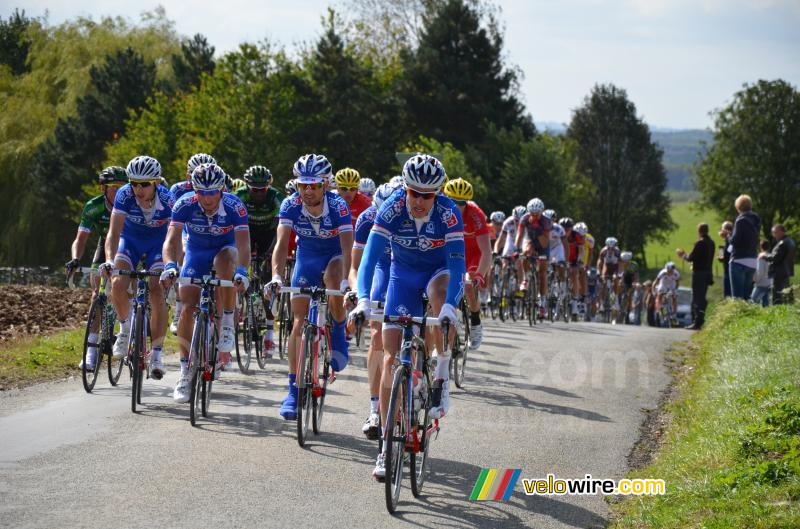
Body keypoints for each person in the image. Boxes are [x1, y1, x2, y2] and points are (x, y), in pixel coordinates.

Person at [349, 153, 464, 480]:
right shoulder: (392, 208)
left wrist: (450, 309)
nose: (419, 200)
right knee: (389, 359)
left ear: (437, 194)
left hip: (436, 272)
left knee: (441, 300)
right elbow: (369, 258)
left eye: (427, 195)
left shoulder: (449, 213)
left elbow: (457, 267)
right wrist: (362, 300)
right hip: (402, 276)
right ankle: (386, 445)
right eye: (414, 192)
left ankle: (440, 373)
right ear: (406, 189)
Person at [267, 154, 353, 420]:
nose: (307, 190)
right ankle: (293, 390)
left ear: (325, 185)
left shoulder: (338, 206)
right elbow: (281, 245)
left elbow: (348, 246)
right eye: (302, 184)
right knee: (297, 322)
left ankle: (338, 331)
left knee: (333, 278)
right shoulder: (291, 205)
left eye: (313, 185)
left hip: (334, 256)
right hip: (306, 258)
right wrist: (277, 276)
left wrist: (346, 283)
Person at [161, 163, 251, 401]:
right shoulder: (185, 204)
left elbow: (243, 244)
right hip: (196, 251)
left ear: (221, 189)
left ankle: (228, 321)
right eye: (202, 192)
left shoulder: (235, 205)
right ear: (194, 189)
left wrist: (241, 270)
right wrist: (170, 266)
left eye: (213, 192)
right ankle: (184, 371)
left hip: (226, 248)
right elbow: (171, 241)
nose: (208, 198)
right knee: (188, 308)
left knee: (225, 263)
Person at [101, 156, 174, 380]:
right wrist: (109, 261)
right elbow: (113, 233)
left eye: (144, 184)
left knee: (156, 291)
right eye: (134, 183)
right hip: (130, 243)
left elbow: (177, 236)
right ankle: (125, 328)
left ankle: (158, 354)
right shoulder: (124, 195)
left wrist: (172, 265)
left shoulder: (169, 200)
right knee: (118, 283)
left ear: (156, 183)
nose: (138, 189)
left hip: (156, 246)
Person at [348, 183, 397, 440]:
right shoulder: (367, 219)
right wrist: (359, 296)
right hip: (382, 270)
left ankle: (426, 378)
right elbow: (356, 266)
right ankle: (375, 408)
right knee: (377, 335)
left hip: (411, 269)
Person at [66, 166, 127, 369]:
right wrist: (75, 259)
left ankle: (127, 329)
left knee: (128, 289)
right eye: (114, 187)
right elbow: (81, 239)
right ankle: (91, 352)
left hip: (128, 247)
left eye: (122, 186)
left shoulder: (132, 206)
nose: (119, 191)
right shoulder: (94, 207)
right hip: (105, 247)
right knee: (97, 294)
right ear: (103, 188)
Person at [235, 165, 285, 353]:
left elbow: (281, 230)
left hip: (268, 234)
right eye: (253, 189)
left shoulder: (276, 197)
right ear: (247, 187)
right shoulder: (240, 195)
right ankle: (240, 304)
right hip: (246, 232)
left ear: (268, 187)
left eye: (262, 189)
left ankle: (270, 336)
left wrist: (269, 254)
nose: (257, 193)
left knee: (267, 281)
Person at [169, 153, 218, 334]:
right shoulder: (178, 189)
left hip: (210, 231)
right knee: (181, 249)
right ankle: (179, 306)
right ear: (187, 174)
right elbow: (172, 218)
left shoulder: (219, 189)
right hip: (186, 227)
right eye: (193, 173)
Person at [443, 177, 490, 349]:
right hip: (451, 253)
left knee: (469, 286)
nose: (457, 206)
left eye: (461, 202)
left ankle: (476, 321)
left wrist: (480, 275)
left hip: (472, 254)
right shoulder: (440, 210)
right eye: (453, 201)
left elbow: (486, 251)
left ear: (467, 203)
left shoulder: (476, 215)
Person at [514, 198, 551, 317]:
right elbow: (519, 235)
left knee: (542, 272)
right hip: (529, 240)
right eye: (532, 214)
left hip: (542, 244)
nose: (534, 216)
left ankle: (542, 301)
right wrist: (516, 249)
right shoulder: (524, 218)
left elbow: (545, 243)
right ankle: (526, 278)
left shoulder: (546, 221)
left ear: (541, 212)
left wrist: (537, 228)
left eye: (537, 214)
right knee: (525, 253)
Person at [677, 222, 716, 329]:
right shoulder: (712, 243)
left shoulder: (700, 243)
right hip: (708, 273)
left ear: (699, 231)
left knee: (697, 298)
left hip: (699, 273)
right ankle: (700, 319)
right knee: (702, 297)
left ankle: (697, 321)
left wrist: (683, 255)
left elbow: (691, 258)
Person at [729, 195, 761, 300]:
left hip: (739, 260)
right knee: (747, 297)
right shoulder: (756, 219)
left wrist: (727, 236)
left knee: (737, 299)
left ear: (738, 207)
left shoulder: (740, 221)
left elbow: (735, 241)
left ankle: (738, 316)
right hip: (752, 260)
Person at [765, 224, 796, 305]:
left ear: (781, 232)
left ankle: (776, 313)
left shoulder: (782, 243)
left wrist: (764, 255)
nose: (773, 235)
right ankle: (787, 311)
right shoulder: (790, 241)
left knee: (777, 295)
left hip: (779, 272)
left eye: (775, 232)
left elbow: (775, 257)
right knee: (786, 294)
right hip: (786, 271)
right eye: (773, 232)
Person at [750, 240, 772, 307]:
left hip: (761, 283)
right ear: (769, 247)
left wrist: (755, 280)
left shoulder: (761, 257)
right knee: (766, 303)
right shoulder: (771, 256)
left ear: (760, 247)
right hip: (770, 282)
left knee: (753, 300)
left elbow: (760, 271)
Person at [718, 221, 733, 298]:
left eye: (722, 229)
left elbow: (727, 254)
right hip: (728, 268)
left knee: (728, 294)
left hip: (728, 269)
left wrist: (721, 253)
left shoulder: (729, 238)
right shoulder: (729, 239)